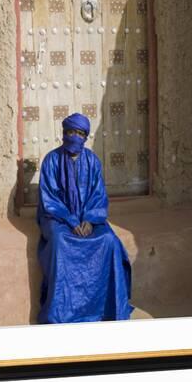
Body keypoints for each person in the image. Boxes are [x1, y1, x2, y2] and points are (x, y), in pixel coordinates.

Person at [36, 112, 135, 324]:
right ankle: (60, 311)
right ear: (64, 134)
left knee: (108, 241)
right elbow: (49, 200)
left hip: (89, 218)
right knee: (60, 243)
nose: (74, 136)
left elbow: (98, 195)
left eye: (79, 133)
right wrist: (71, 221)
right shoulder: (51, 160)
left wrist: (89, 220)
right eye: (70, 132)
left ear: (85, 136)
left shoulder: (92, 161)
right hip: (58, 218)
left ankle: (107, 308)